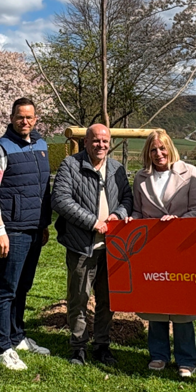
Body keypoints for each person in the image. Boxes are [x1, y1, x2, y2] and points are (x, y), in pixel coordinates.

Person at [0, 98, 52, 370]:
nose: (25, 121)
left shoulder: (41, 146)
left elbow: (41, 190)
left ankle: (17, 336)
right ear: (11, 118)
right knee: (6, 289)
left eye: (29, 117)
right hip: (13, 231)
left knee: (23, 287)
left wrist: (43, 224)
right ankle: (2, 348)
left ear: (36, 119)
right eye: (20, 117)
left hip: (35, 229)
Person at [52, 123, 133, 366]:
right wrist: (92, 222)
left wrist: (118, 214)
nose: (101, 145)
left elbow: (128, 198)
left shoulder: (117, 168)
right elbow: (60, 200)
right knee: (79, 298)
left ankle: (102, 345)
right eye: (96, 140)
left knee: (107, 300)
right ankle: (78, 347)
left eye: (105, 141)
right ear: (86, 142)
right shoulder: (71, 165)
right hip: (81, 245)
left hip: (112, 246)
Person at [130, 129, 196, 377]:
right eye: (153, 149)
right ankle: (158, 354)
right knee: (156, 302)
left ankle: (187, 359)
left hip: (182, 245)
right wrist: (132, 221)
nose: (158, 153)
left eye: (162, 148)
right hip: (153, 247)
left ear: (170, 148)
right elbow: (138, 211)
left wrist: (178, 222)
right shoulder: (141, 177)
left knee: (182, 306)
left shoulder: (189, 172)